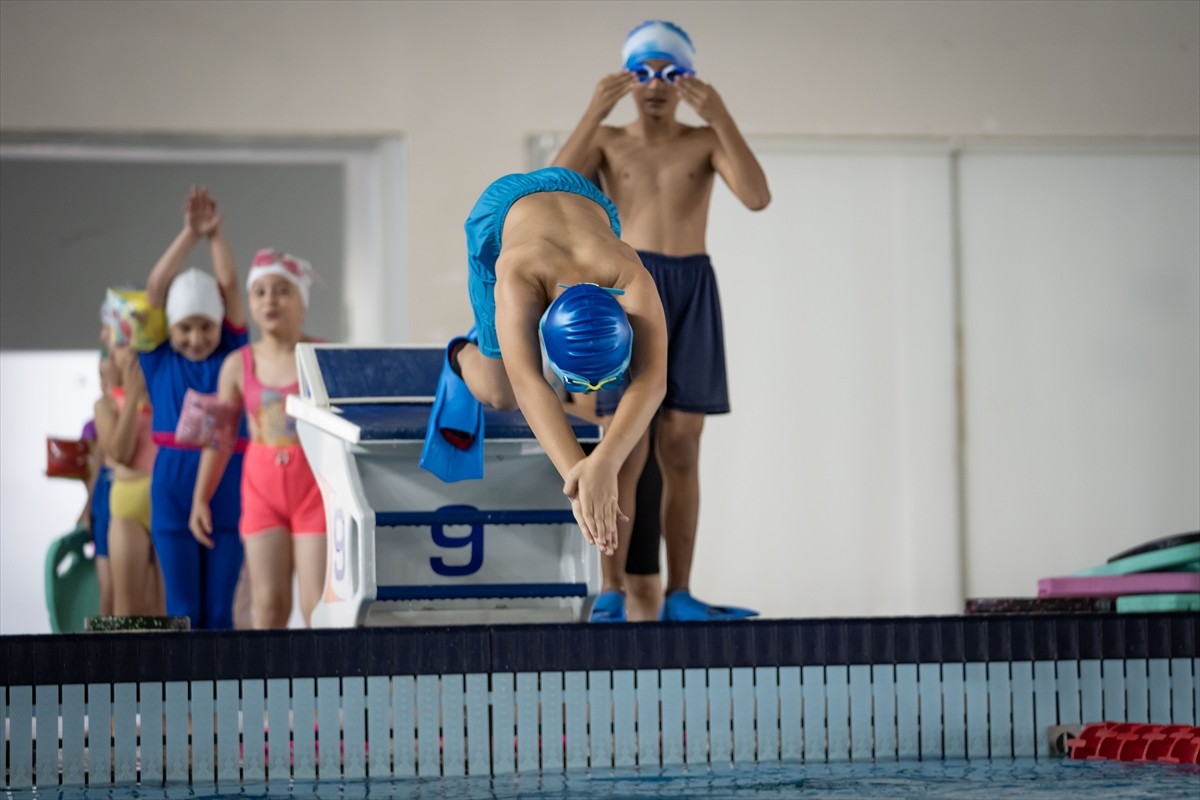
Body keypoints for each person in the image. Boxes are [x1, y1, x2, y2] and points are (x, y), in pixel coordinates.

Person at [553, 19, 771, 621]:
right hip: (631, 286)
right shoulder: (609, 141)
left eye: (668, 73)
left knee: (682, 445)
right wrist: (593, 114)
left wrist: (721, 116)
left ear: (686, 81)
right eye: (642, 72)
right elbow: (548, 188)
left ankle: (680, 593)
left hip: (693, 287)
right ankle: (611, 589)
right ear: (628, 79)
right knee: (627, 446)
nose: (654, 84)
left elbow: (756, 196)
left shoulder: (703, 143)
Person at [420, 166, 668, 563]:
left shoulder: (631, 274)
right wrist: (580, 477)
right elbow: (528, 384)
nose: (589, 396)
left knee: (514, 362)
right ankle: (462, 354)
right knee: (500, 394)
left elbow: (653, 381)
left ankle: (509, 332)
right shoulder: (515, 275)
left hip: (587, 200)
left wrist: (605, 462)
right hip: (499, 218)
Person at [191, 249, 327, 628]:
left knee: (316, 605)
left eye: (282, 290)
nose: (270, 300)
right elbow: (218, 438)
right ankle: (271, 687)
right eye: (261, 292)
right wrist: (201, 496)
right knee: (267, 606)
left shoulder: (324, 356)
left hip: (314, 488)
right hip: (262, 489)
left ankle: (320, 686)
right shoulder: (237, 365)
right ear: (250, 301)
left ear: (301, 299)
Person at [140, 186, 248, 629]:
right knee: (182, 609)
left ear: (219, 324)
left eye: (206, 326)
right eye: (185, 328)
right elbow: (154, 288)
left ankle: (222, 699)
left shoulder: (232, 354)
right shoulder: (158, 358)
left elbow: (230, 287)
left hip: (227, 477)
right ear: (170, 327)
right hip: (172, 480)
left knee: (219, 611)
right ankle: (184, 700)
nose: (196, 337)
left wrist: (215, 237)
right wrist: (189, 236)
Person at [93, 342, 165, 616]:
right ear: (113, 354)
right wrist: (133, 393)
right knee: (127, 611)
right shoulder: (106, 404)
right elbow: (120, 452)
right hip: (127, 505)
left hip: (165, 500)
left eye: (141, 342)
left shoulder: (166, 396)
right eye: (124, 344)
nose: (133, 350)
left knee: (166, 610)